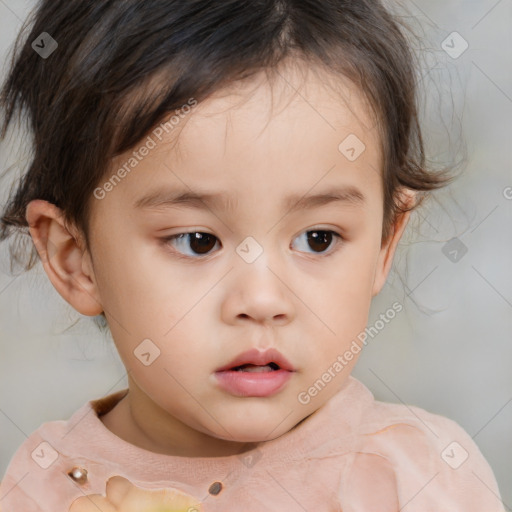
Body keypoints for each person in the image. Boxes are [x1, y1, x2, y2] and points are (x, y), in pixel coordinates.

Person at [0, 0, 505, 510]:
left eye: (318, 239)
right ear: (75, 259)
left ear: (383, 244)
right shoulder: (44, 485)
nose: (263, 300)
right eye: (198, 241)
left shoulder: (419, 477)